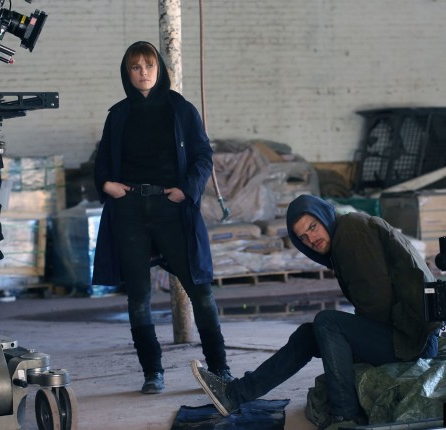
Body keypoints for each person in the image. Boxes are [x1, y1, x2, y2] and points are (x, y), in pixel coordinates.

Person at [190, 194, 442, 430]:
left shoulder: (351, 232)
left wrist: (349, 345)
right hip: (405, 332)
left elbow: (378, 302)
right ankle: (234, 395)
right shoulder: (345, 234)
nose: (311, 239)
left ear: (324, 216)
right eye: (303, 237)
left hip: (412, 341)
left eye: (313, 227)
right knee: (308, 335)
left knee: (327, 323)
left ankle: (345, 416)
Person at [92, 41, 232, 394]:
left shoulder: (180, 109)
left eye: (149, 66)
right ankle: (152, 372)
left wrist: (187, 189)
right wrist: (106, 185)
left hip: (173, 208)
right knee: (138, 296)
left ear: (159, 69)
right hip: (129, 211)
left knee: (200, 289)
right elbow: (102, 161)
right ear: (127, 73)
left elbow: (203, 156)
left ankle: (220, 368)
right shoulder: (118, 115)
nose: (143, 73)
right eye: (135, 67)